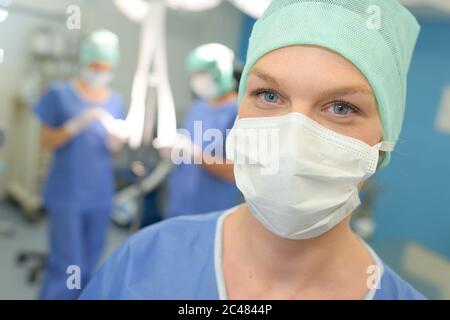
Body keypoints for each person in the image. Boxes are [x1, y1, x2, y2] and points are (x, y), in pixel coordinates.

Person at [80, 0, 425, 299]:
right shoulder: (145, 260)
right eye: (269, 95)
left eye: (341, 107)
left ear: (384, 141)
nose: (293, 139)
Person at [34, 29, 127, 300]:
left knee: (89, 268)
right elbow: (45, 142)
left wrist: (115, 139)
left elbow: (113, 149)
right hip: (67, 195)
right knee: (67, 268)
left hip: (99, 195)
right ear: (85, 61)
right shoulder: (59, 93)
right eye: (95, 65)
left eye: (105, 67)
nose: (99, 71)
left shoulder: (115, 100)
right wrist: (75, 125)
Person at [161, 43, 241, 218]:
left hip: (211, 209)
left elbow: (236, 172)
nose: (196, 81)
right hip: (180, 202)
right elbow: (184, 147)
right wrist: (173, 150)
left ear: (218, 73)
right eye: (193, 75)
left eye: (200, 74)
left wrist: (196, 154)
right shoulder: (197, 107)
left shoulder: (238, 112)